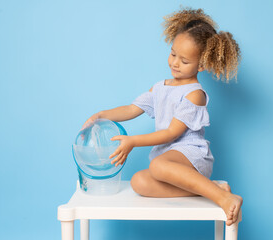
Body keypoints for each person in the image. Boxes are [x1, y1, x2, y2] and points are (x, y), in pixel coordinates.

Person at [82, 7, 243, 226]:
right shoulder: (160, 87)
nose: (175, 63)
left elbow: (171, 133)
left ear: (202, 65)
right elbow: (131, 109)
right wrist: (102, 115)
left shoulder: (194, 94)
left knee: (157, 166)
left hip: (191, 157)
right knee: (140, 182)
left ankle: (224, 197)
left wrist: (133, 142)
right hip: (167, 159)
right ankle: (210, 187)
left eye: (184, 61)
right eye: (173, 54)